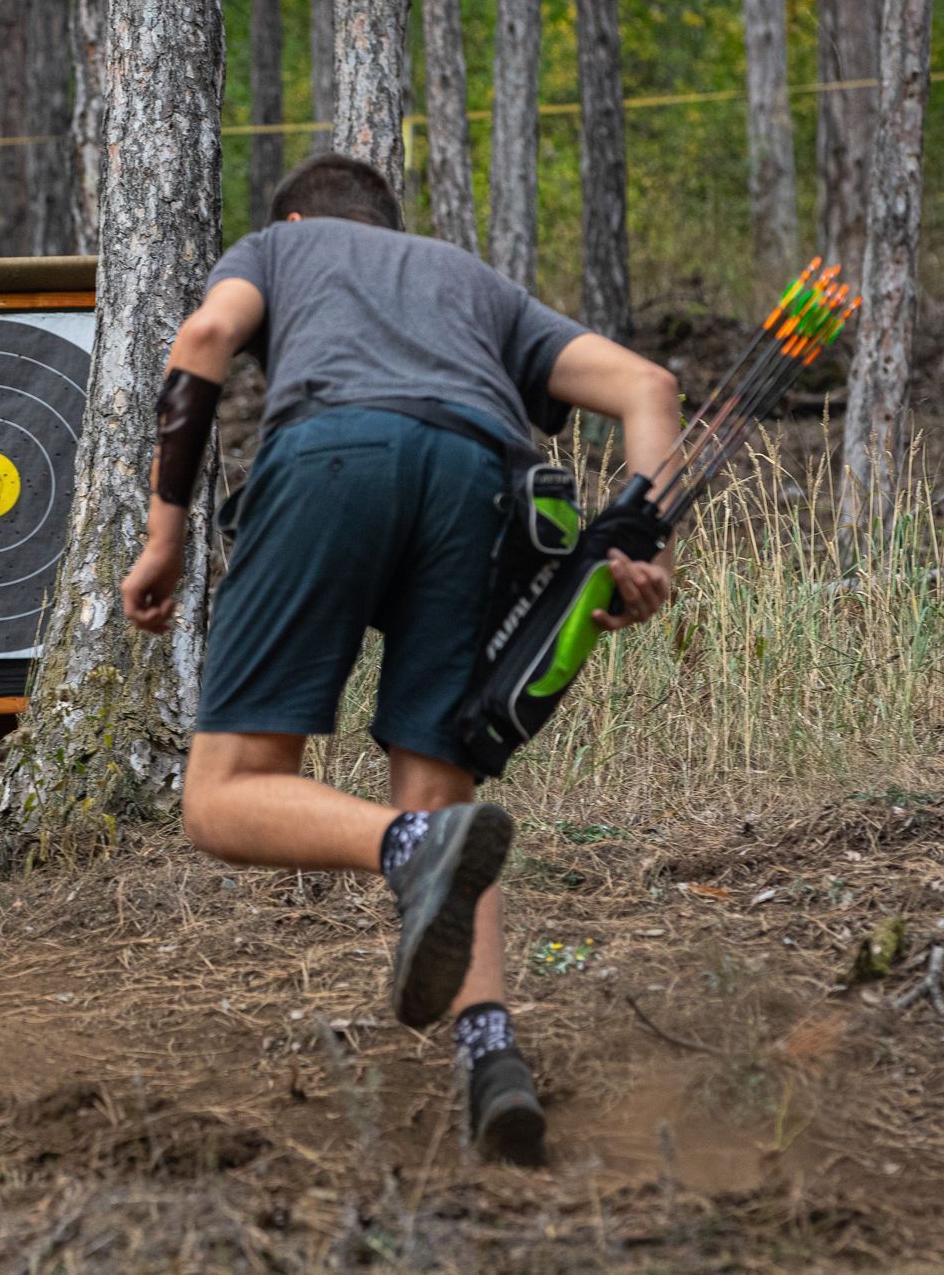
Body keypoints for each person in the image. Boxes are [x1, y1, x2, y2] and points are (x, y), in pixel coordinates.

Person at [120, 154, 679, 1165]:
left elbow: (204, 338)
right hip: (478, 480)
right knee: (437, 778)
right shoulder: (473, 282)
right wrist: (637, 540)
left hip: (331, 455)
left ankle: (408, 853)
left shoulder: (281, 245)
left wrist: (163, 537)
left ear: (294, 217)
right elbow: (648, 385)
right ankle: (490, 1051)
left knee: (222, 796)